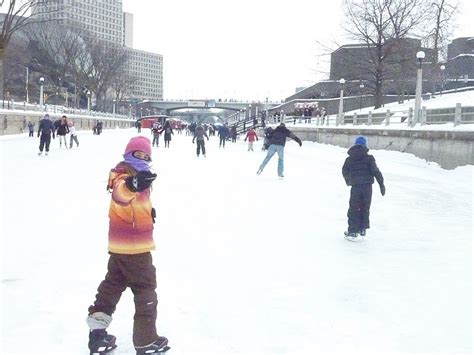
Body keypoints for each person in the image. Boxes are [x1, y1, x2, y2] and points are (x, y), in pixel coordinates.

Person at [86, 136, 169, 355]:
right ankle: (146, 341)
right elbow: (121, 194)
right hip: (135, 247)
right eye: (137, 155)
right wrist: (133, 185)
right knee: (145, 289)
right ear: (127, 155)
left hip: (120, 246)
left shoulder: (138, 176)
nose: (141, 159)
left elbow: (130, 204)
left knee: (112, 286)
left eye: (145, 156)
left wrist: (148, 213)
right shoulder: (124, 175)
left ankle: (97, 334)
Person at [342, 136, 385, 239]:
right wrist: (381, 184)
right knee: (365, 207)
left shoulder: (349, 158)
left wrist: (349, 181)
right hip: (367, 188)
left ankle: (352, 231)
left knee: (353, 208)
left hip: (356, 187)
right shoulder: (369, 158)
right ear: (365, 145)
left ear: (355, 144)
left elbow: (344, 171)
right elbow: (376, 171)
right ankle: (362, 229)